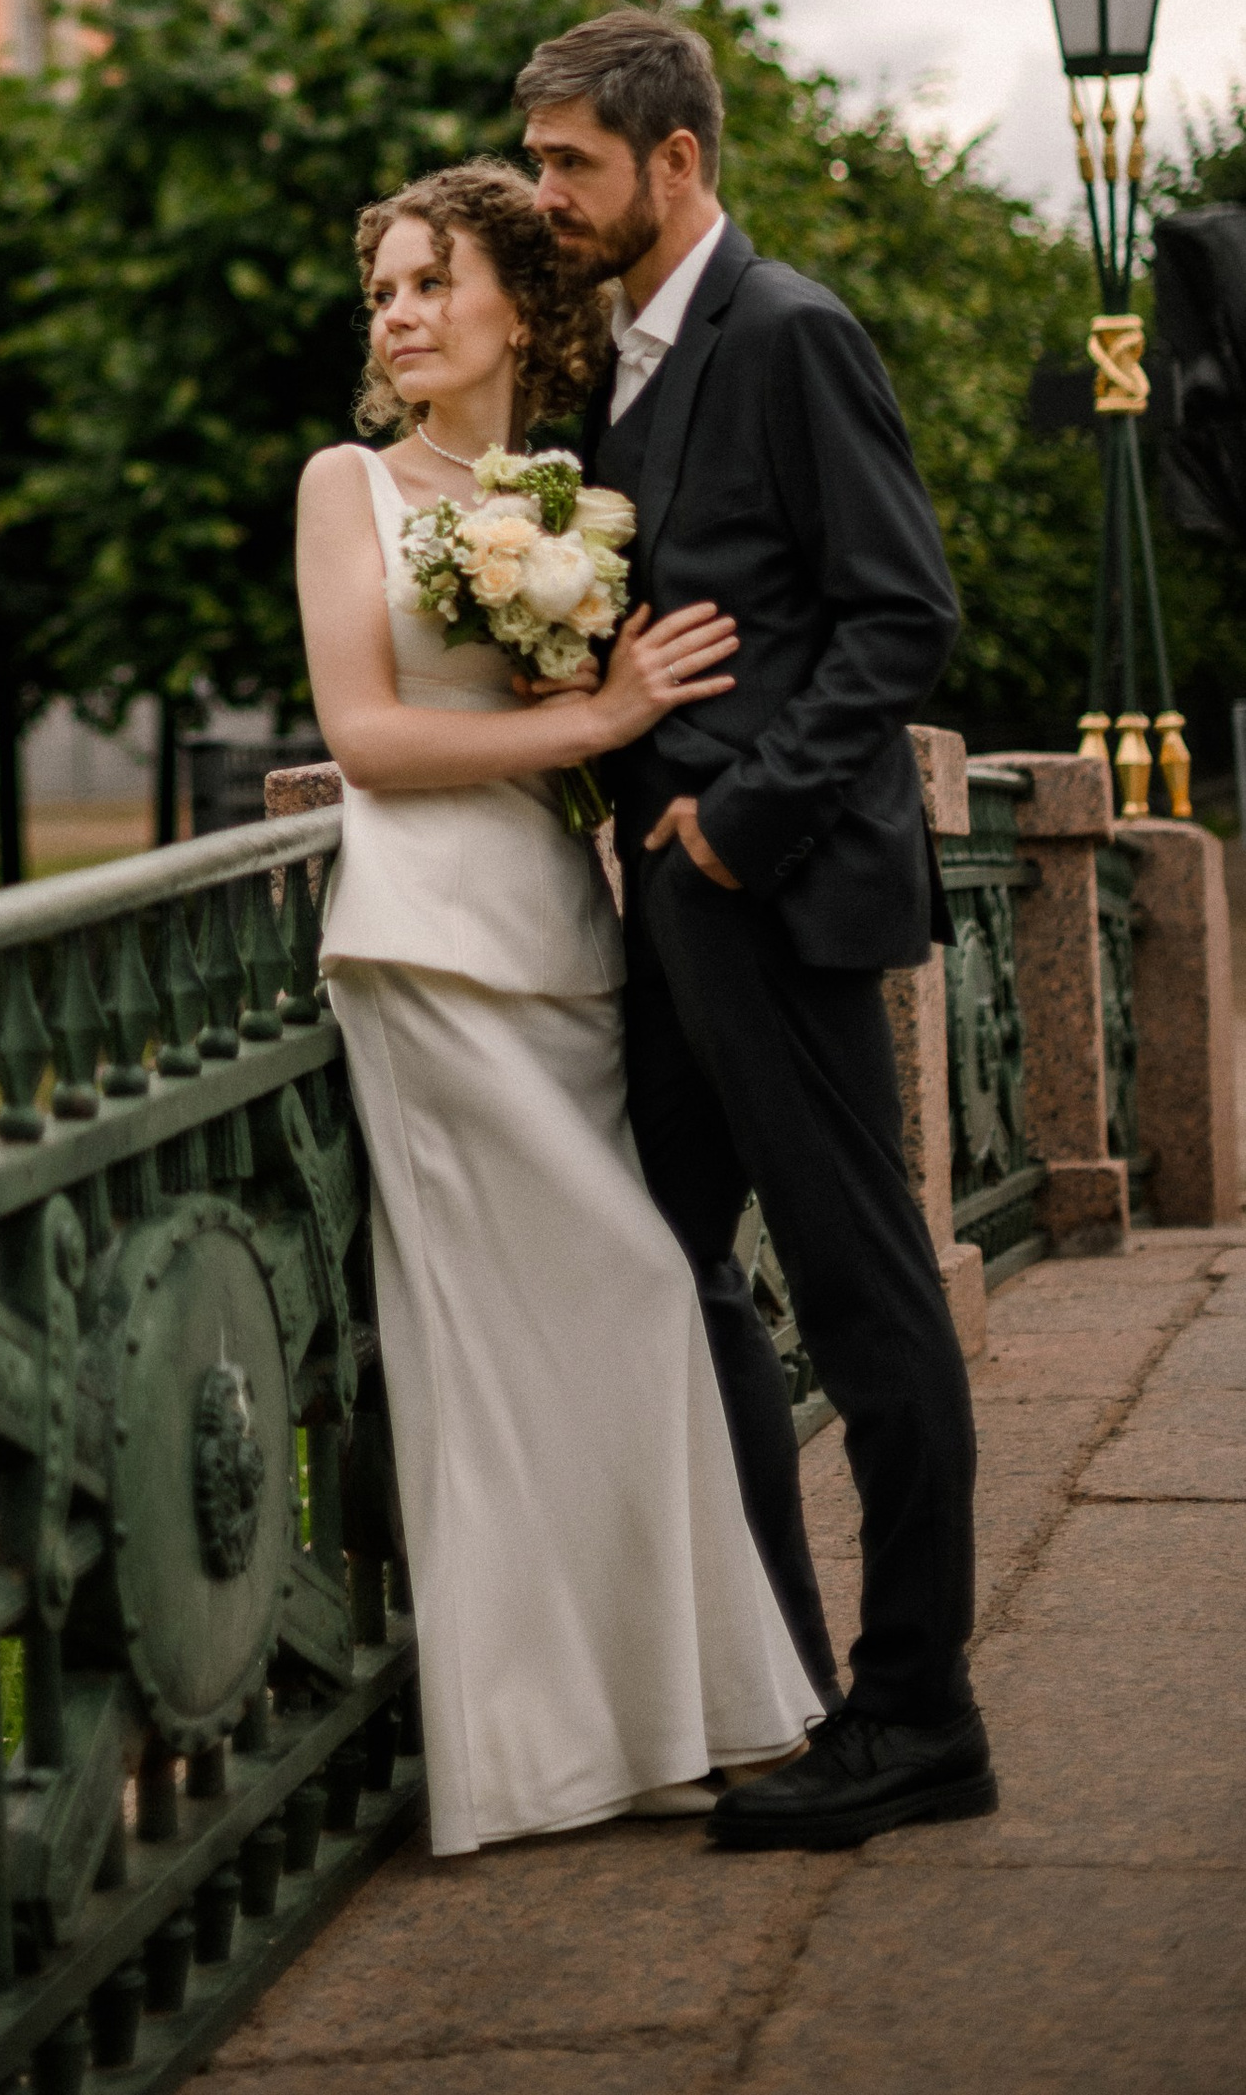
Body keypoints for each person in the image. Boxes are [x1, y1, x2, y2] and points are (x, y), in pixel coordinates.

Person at [295, 158, 819, 1857]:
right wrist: (595, 721)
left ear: (517, 309)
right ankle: (542, 1752)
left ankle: (656, 1735)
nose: (398, 314)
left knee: (599, 1332)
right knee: (596, 1314)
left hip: (565, 943)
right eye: (382, 291)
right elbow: (367, 740)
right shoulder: (347, 487)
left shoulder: (578, 495)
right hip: (426, 947)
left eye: (430, 281)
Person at [516, 2, 992, 1853]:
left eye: (572, 163)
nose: (547, 195)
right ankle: (768, 1672)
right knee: (661, 1267)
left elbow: (901, 614)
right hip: (678, 919)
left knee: (867, 1303)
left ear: (677, 159)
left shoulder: (788, 331)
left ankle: (920, 1714)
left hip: (773, 902)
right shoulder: (619, 367)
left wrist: (737, 822)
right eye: (538, 162)